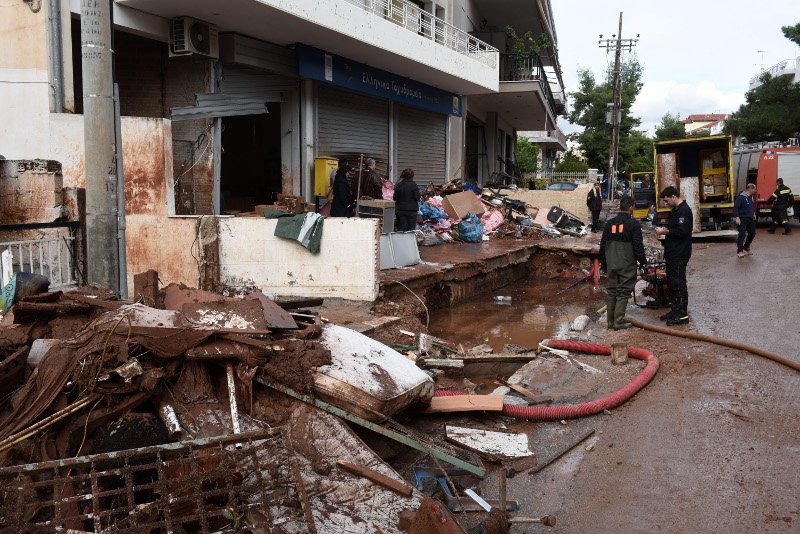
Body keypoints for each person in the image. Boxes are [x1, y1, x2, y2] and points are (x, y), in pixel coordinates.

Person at [599, 196, 647, 330]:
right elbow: (638, 246)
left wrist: (604, 264)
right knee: (624, 291)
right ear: (631, 207)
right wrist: (643, 263)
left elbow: (602, 246)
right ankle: (618, 322)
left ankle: (610, 322)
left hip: (611, 263)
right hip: (626, 263)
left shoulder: (609, 224)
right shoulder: (634, 224)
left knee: (612, 291)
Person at [654, 186, 693, 325]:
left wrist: (666, 232)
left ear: (674, 197)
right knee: (671, 282)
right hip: (673, 252)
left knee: (678, 283)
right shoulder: (676, 210)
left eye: (666, 200)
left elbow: (682, 231)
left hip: (679, 253)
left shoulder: (684, 211)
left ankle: (682, 314)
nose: (665, 203)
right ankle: (675, 310)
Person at [733, 183, 757, 258]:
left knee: (752, 233)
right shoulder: (741, 197)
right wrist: (737, 217)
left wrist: (753, 213)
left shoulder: (751, 197)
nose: (755, 191)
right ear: (750, 189)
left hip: (750, 219)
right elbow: (736, 207)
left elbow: (751, 206)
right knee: (742, 235)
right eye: (754, 189)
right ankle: (740, 251)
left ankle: (746, 246)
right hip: (742, 219)